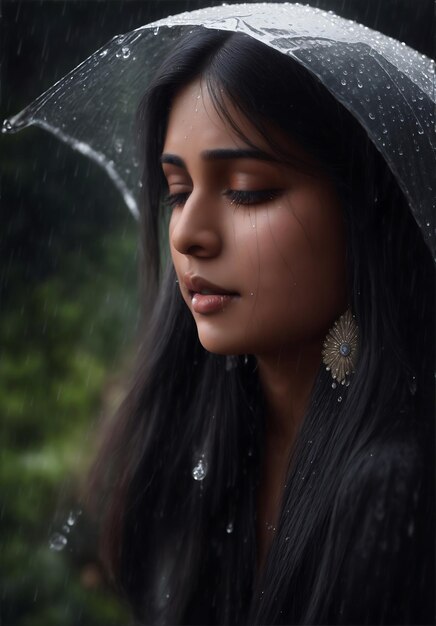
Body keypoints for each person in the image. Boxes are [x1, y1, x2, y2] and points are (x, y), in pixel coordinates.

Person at [90, 25, 435, 626]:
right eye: (178, 190)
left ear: (363, 211)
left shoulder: (400, 488)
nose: (187, 233)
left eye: (247, 191)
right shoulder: (201, 441)